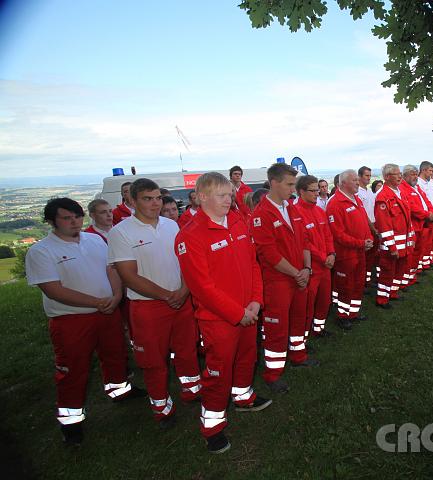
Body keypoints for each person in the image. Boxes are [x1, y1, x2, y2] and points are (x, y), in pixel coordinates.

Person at [26, 198, 143, 444]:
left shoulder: (95, 240)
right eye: (67, 218)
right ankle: (71, 420)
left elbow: (112, 270)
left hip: (107, 311)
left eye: (77, 217)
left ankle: (119, 390)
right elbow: (53, 289)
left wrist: (116, 295)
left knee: (115, 354)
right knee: (73, 369)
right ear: (51, 221)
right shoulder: (41, 250)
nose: (74, 222)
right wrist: (96, 302)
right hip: (71, 319)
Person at [174, 172, 271, 454]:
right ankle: (212, 426)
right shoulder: (189, 236)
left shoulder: (238, 221)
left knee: (247, 358)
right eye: (222, 195)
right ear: (202, 197)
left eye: (230, 194)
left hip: (248, 313)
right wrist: (237, 312)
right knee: (218, 372)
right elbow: (201, 287)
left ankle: (243, 396)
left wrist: (255, 302)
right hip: (219, 320)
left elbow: (253, 264)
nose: (229, 200)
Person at [107, 178, 201, 425]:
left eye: (158, 197)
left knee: (187, 350)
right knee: (153, 360)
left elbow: (187, 261)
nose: (155, 203)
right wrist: (167, 295)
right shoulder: (121, 232)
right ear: (132, 201)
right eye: (148, 198)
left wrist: (183, 290)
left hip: (181, 300)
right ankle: (162, 408)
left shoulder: (172, 225)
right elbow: (128, 275)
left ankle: (192, 391)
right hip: (149, 306)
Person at [249, 163, 315, 394]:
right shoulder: (261, 215)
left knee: (299, 319)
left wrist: (306, 268)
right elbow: (269, 254)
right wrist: (298, 273)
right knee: (277, 329)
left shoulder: (292, 208)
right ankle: (273, 373)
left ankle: (299, 355)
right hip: (278, 282)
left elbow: (305, 240)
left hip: (299, 276)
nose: (293, 189)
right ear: (274, 183)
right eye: (289, 184)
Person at [326, 170, 373, 328]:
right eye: (354, 180)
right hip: (346, 254)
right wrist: (361, 243)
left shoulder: (356, 199)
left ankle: (353, 312)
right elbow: (338, 234)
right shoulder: (335, 203)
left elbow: (364, 223)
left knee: (358, 283)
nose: (357, 182)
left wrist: (368, 239)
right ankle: (342, 315)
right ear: (344, 183)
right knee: (346, 285)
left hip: (360, 251)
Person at [293, 175, 336, 335]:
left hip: (326, 265)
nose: (317, 193)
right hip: (312, 267)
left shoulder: (319, 210)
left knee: (325, 300)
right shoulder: (295, 213)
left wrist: (331, 253)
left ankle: (318, 328)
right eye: (313, 191)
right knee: (308, 304)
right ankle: (303, 335)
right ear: (301, 191)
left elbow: (328, 235)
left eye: (317, 190)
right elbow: (304, 244)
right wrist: (323, 258)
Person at [374, 164, 413, 308]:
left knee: (398, 271)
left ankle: (393, 293)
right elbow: (384, 226)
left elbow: (408, 219)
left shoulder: (400, 192)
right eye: (396, 174)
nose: (400, 176)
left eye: (400, 173)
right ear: (386, 177)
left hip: (404, 243)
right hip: (392, 246)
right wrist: (392, 246)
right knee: (387, 272)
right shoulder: (383, 197)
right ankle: (382, 299)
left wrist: (411, 238)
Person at [399, 165, 433, 283]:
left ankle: (412, 276)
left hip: (422, 224)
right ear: (404, 176)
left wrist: (432, 212)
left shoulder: (417, 187)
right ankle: (405, 280)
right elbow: (411, 207)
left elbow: (427, 201)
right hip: (413, 226)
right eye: (412, 174)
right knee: (410, 253)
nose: (415, 176)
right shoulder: (403, 188)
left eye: (416, 174)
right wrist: (427, 215)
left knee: (418, 251)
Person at [357, 166, 378, 286]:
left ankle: (368, 279)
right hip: (366, 226)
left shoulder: (369, 191)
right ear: (360, 176)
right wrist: (372, 228)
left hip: (373, 224)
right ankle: (362, 280)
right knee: (364, 256)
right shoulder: (358, 192)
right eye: (366, 176)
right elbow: (363, 214)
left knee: (371, 256)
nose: (369, 178)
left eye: (370, 175)